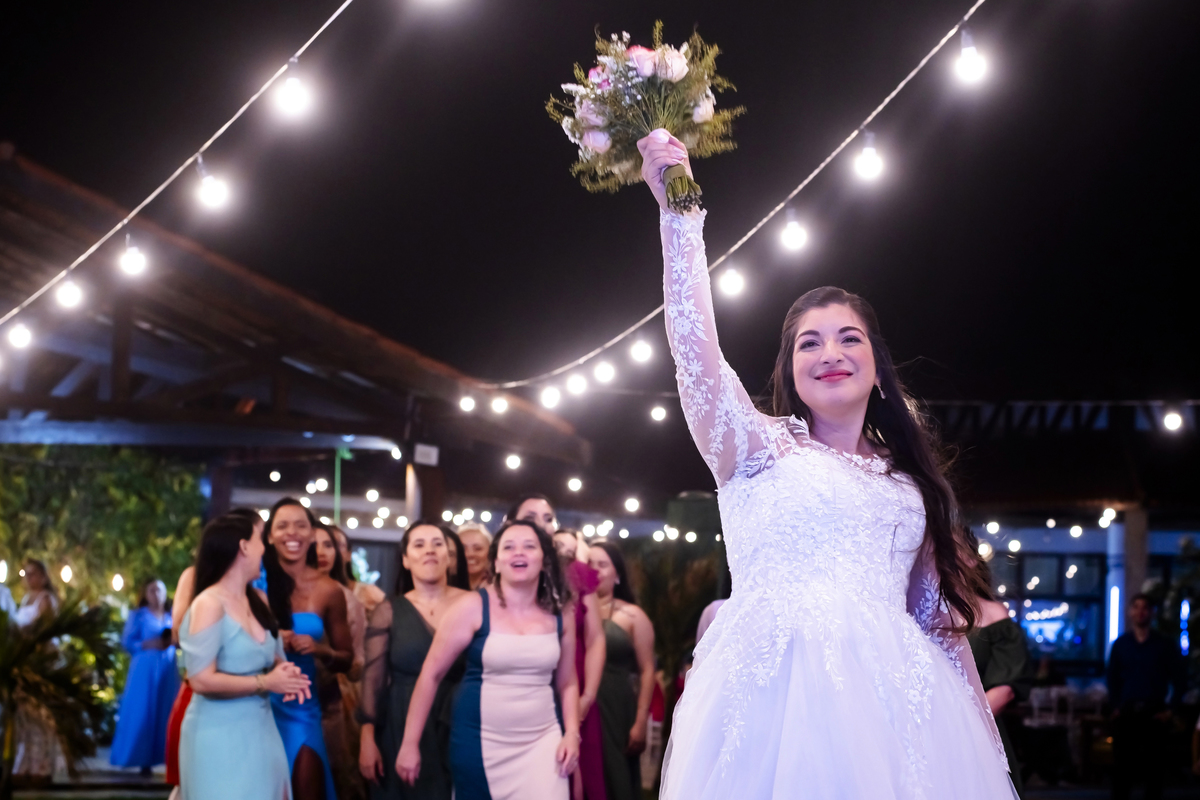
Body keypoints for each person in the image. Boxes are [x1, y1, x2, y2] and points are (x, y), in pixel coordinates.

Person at [637, 130, 1014, 798]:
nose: (830, 353)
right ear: (789, 369)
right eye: (808, 343)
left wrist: (980, 751)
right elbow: (696, 357)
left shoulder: (911, 487)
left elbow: (938, 626)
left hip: (896, 718)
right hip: (769, 709)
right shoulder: (755, 450)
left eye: (848, 338)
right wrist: (679, 213)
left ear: (878, 367)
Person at [396, 521, 580, 799]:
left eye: (529, 546)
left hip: (544, 739)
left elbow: (568, 682)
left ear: (544, 560)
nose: (519, 552)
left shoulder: (560, 612)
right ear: (496, 563)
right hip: (480, 741)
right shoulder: (471, 607)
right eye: (509, 547)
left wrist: (572, 733)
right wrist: (410, 744)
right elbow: (431, 675)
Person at [178, 513, 311, 800]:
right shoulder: (209, 604)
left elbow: (275, 656)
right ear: (243, 547)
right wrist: (265, 683)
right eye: (259, 540)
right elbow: (200, 680)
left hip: (262, 729)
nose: (265, 548)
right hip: (217, 733)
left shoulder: (259, 600)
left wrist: (289, 675)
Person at [358, 522, 469, 798]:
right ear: (406, 560)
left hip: (459, 719)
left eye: (437, 544)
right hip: (401, 721)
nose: (429, 550)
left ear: (449, 557)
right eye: (419, 545)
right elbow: (373, 681)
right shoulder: (389, 611)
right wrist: (367, 738)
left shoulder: (474, 604)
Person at [165, 507, 263, 789]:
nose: (265, 546)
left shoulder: (257, 587)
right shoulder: (197, 580)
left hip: (254, 707)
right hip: (206, 694)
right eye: (260, 536)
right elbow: (179, 632)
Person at [264, 498, 355, 800]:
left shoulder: (329, 589)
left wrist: (320, 650)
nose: (292, 533)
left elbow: (346, 659)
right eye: (283, 526)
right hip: (257, 702)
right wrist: (271, 640)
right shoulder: (254, 583)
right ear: (269, 536)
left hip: (302, 707)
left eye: (300, 525)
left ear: (312, 534)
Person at [587, 541, 654, 800]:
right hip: (581, 703)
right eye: (590, 564)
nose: (595, 570)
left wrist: (640, 721)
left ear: (617, 575)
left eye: (602, 565)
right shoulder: (573, 612)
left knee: (615, 776)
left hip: (616, 707)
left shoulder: (633, 615)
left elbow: (647, 670)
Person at [1107, 593, 1185, 800]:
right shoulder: (1121, 644)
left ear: (1152, 613)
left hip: (1155, 713)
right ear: (1130, 612)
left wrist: (1171, 710)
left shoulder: (1165, 644)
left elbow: (1180, 679)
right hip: (1127, 713)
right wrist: (1115, 707)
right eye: (1136, 607)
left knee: (1154, 773)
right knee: (1122, 771)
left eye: (1145, 608)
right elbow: (1112, 678)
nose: (1140, 612)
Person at [967, 556, 1032, 796]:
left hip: (980, 726)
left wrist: (957, 723)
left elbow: (1006, 688)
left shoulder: (994, 615)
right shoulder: (921, 610)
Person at [314, 524, 368, 800]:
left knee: (336, 779)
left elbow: (358, 663)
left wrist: (331, 658)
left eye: (329, 545)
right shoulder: (279, 591)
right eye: (314, 544)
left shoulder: (347, 598)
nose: (321, 552)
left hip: (335, 702)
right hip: (281, 698)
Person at [554, 529, 608, 800]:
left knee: (580, 769)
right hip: (535, 678)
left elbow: (595, 637)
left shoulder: (577, 573)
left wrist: (588, 695)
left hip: (575, 677)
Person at [111, 578, 181, 773]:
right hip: (144, 670)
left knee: (164, 711)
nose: (156, 594)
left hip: (167, 668)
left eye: (159, 590)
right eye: (152, 590)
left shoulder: (171, 616)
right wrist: (147, 644)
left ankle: (163, 758)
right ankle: (139, 758)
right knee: (142, 710)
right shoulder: (139, 616)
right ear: (145, 594)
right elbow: (127, 642)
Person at [11, 559, 62, 782]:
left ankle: (42, 767)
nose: (29, 578)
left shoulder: (46, 599)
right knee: (25, 717)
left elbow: (44, 630)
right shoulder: (25, 599)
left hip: (42, 661)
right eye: (27, 574)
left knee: (41, 715)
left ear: (43, 576)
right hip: (25, 662)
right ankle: (24, 765)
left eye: (33, 574)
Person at [332, 525, 386, 615]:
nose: (332, 550)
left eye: (338, 545)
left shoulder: (369, 593)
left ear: (349, 554)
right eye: (328, 545)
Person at [456, 524, 493, 590]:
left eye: (478, 549)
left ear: (490, 552)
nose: (470, 554)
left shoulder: (500, 588)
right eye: (462, 549)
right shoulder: (443, 587)